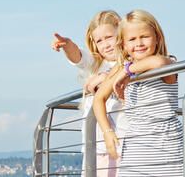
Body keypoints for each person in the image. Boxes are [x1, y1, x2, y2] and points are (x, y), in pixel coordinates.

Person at [93, 9, 183, 176]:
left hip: (165, 145)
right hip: (135, 145)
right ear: (124, 45)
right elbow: (98, 99)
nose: (139, 43)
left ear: (157, 37)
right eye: (132, 39)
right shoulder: (121, 68)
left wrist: (129, 70)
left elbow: (159, 61)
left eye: (145, 36)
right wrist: (107, 132)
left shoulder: (168, 64)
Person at [51, 10, 128, 177]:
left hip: (121, 143)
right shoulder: (97, 63)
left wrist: (106, 78)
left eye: (109, 37)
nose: (106, 45)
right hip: (94, 145)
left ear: (121, 33)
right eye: (99, 41)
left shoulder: (131, 62)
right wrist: (67, 45)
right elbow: (78, 57)